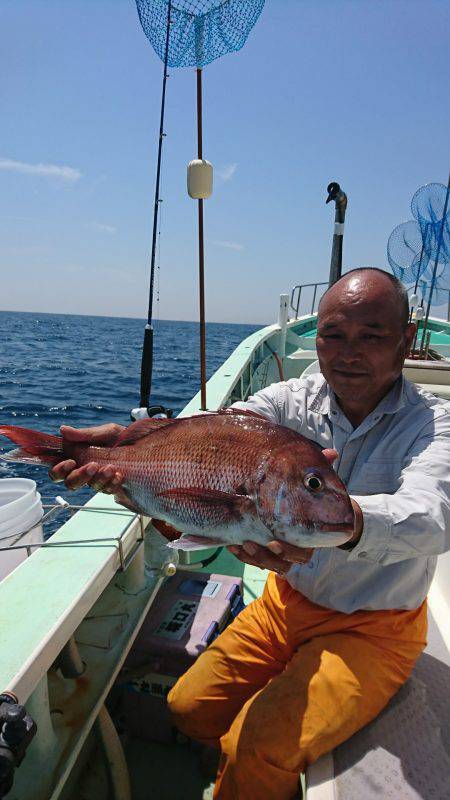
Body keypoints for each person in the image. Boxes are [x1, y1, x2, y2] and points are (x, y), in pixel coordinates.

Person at [50, 268, 450, 800]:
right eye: (333, 334)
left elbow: (433, 512)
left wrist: (343, 519)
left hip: (377, 626)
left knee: (256, 748)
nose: (349, 352)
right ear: (317, 339)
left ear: (406, 342)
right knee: (185, 708)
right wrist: (126, 446)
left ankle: (246, 775)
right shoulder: (290, 400)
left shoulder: (434, 424)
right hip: (287, 602)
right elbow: (223, 432)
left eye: (373, 336)